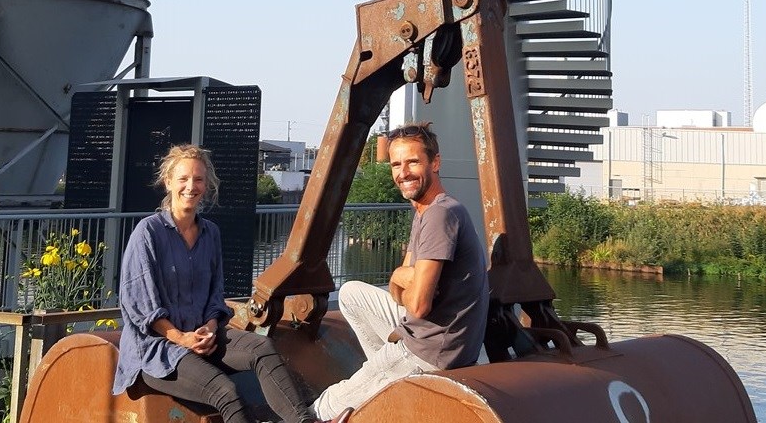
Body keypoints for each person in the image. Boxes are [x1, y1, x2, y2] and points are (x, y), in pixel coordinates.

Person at [113, 143, 351, 423]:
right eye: (183, 179)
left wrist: (211, 328)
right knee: (226, 392)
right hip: (159, 350)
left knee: (263, 349)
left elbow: (215, 297)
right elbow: (140, 306)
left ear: (207, 185)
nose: (191, 186)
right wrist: (183, 338)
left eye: (198, 179)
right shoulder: (148, 233)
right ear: (168, 182)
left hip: (204, 337)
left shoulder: (210, 233)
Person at [312, 123, 489, 419]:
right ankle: (384, 377)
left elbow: (418, 304)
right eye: (396, 164)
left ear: (435, 162)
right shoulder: (425, 209)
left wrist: (402, 278)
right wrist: (400, 278)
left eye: (413, 162)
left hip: (431, 350)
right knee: (351, 293)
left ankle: (388, 378)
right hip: (437, 336)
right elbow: (399, 290)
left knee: (322, 406)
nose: (403, 172)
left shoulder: (439, 215)